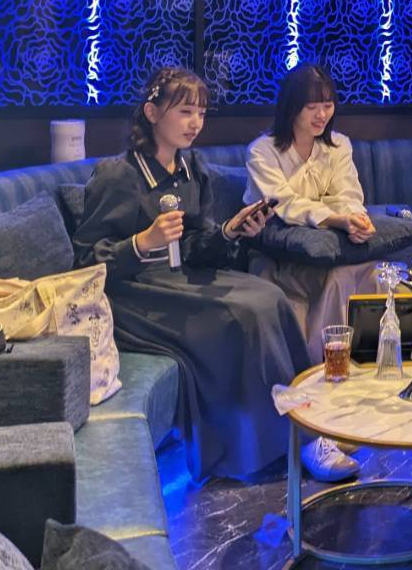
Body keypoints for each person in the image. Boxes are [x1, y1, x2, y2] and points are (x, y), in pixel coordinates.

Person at [71, 66, 301, 483]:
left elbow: (196, 244)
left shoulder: (193, 168)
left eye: (201, 113)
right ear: (152, 113)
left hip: (180, 279)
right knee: (243, 313)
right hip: (136, 294)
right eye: (184, 112)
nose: (195, 123)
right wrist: (143, 241)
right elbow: (85, 261)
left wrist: (231, 232)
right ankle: (262, 452)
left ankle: (304, 427)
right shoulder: (118, 175)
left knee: (271, 296)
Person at [244, 63, 412, 482]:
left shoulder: (338, 145)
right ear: (291, 107)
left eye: (327, 105)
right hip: (281, 262)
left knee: (371, 271)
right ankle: (316, 420)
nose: (321, 115)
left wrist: (356, 220)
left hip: (333, 257)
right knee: (340, 275)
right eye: (311, 106)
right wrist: (334, 218)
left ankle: (350, 399)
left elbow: (349, 193)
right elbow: (285, 204)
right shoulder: (263, 151)